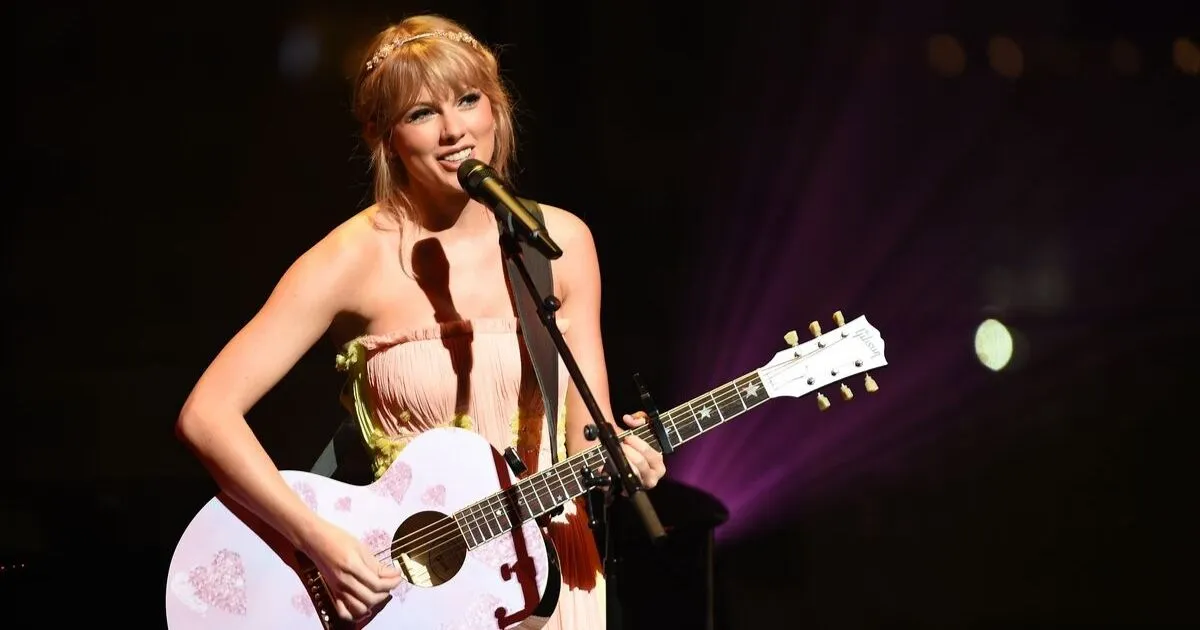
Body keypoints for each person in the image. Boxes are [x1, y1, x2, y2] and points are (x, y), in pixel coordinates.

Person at [174, 13, 666, 630]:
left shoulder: (555, 241)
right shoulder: (351, 259)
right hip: (413, 595)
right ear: (384, 136)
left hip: (548, 580)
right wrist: (321, 542)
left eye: (468, 100)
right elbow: (207, 415)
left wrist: (624, 458)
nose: (455, 130)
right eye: (421, 113)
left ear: (497, 108)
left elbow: (585, 436)